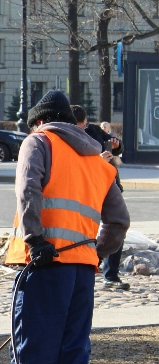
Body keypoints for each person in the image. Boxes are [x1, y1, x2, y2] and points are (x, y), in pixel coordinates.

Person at [0, 90, 130, 364]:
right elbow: (119, 221)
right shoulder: (98, 160)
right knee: (74, 352)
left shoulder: (39, 142)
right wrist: (93, 252)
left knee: (31, 348)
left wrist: (36, 240)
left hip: (44, 265)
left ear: (40, 120)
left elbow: (28, 191)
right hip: (81, 272)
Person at [71, 105, 129, 290]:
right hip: (86, 190)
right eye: (81, 126)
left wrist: (115, 144)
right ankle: (82, 268)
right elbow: (76, 168)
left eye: (85, 124)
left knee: (117, 224)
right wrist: (99, 162)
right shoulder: (66, 139)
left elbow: (115, 147)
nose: (85, 128)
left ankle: (110, 274)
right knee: (81, 230)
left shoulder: (93, 130)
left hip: (109, 185)